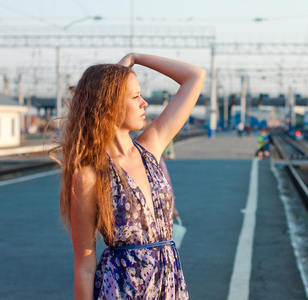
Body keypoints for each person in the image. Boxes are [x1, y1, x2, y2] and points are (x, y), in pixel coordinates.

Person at [51, 52, 205, 299]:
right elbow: (85, 266)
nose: (144, 102)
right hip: (123, 290)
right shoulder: (89, 176)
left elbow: (195, 77)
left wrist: (136, 57)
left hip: (170, 286)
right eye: (135, 96)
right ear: (109, 105)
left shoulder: (151, 147)